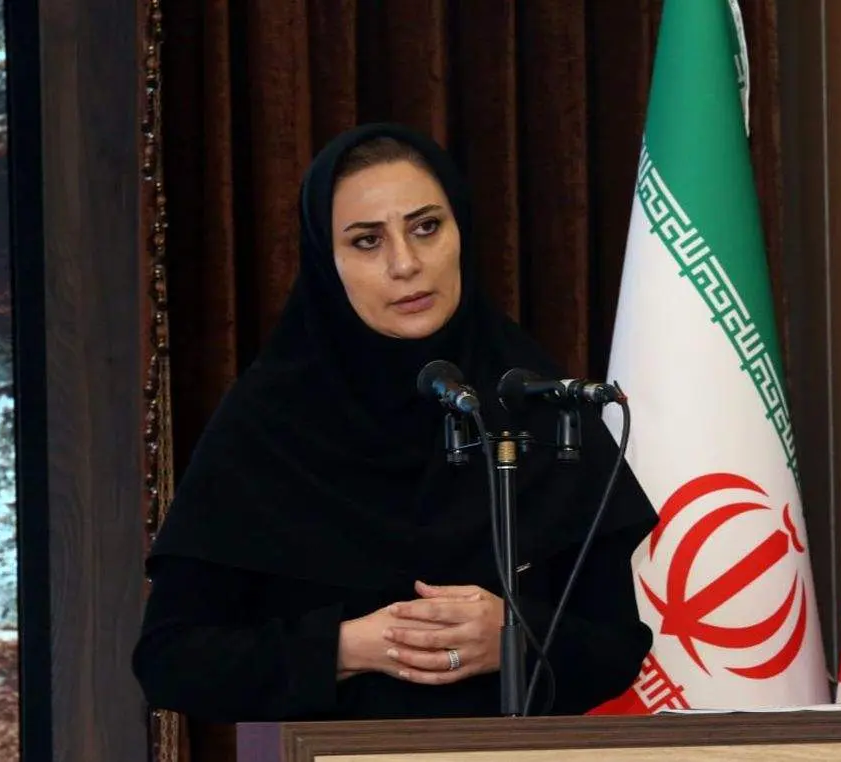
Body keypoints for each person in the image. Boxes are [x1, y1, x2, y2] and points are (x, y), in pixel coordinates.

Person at [132, 123, 659, 723]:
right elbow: (172, 662)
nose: (405, 264)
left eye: (426, 227)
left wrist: (515, 636)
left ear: (461, 232)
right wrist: (346, 648)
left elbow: (615, 648)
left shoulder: (535, 403)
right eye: (366, 241)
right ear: (326, 262)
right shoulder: (269, 422)